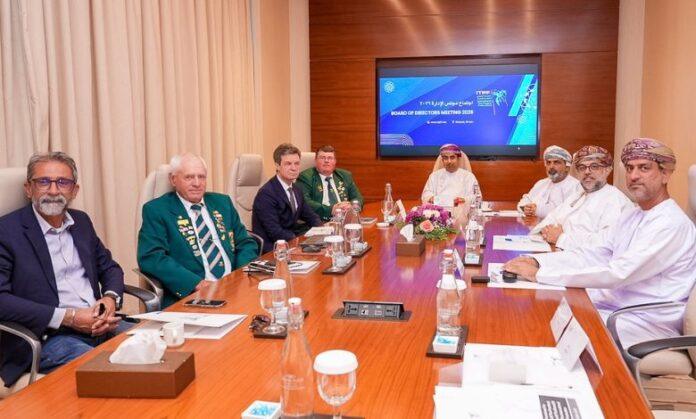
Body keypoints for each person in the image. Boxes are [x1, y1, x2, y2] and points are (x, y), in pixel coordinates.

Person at [504, 138, 696, 348]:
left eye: (644, 168)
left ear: (665, 173)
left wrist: (539, 274)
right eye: (630, 168)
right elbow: (595, 252)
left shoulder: (670, 223)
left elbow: (618, 273)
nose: (633, 176)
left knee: (542, 328)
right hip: (614, 306)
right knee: (537, 311)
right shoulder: (634, 215)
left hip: (642, 321)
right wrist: (538, 262)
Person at [0, 152, 127, 388]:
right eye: (43, 182)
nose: (53, 190)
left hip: (100, 325)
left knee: (161, 346)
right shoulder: (6, 231)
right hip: (48, 337)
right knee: (115, 373)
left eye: (62, 182)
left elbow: (110, 268)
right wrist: (70, 317)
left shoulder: (81, 222)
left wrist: (110, 300)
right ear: (28, 188)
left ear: (74, 190)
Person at [137, 153, 258, 308]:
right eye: (189, 177)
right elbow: (152, 257)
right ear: (173, 179)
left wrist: (240, 275)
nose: (197, 183)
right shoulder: (157, 210)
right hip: (194, 296)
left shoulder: (222, 203)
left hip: (235, 288)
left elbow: (245, 242)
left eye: (201, 177)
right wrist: (196, 283)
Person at [529, 145, 632, 250]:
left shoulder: (615, 201)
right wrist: (549, 232)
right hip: (558, 251)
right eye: (582, 167)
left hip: (581, 259)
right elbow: (551, 219)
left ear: (607, 170)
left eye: (594, 166)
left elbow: (605, 245)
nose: (587, 172)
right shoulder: (578, 195)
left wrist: (561, 238)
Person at [252, 143, 322, 253]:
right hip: (272, 250)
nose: (294, 168)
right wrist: (301, 242)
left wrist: (322, 231)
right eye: (288, 164)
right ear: (277, 166)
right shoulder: (266, 194)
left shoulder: (296, 189)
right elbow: (275, 231)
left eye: (297, 163)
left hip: (291, 244)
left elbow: (311, 216)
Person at [297, 145, 364, 221]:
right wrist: (331, 209)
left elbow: (358, 198)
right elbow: (305, 202)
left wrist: (352, 207)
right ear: (315, 160)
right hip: (320, 221)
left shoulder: (345, 176)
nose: (326, 161)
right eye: (322, 158)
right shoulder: (305, 177)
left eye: (330, 158)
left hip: (344, 219)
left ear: (335, 161)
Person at [517, 145, 580, 218]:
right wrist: (525, 208)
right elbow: (524, 201)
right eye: (548, 162)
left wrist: (537, 210)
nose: (551, 166)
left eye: (556, 162)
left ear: (567, 167)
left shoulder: (576, 186)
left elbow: (567, 212)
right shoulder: (541, 183)